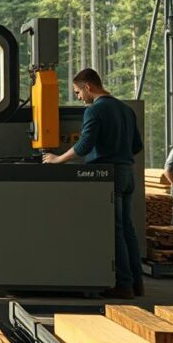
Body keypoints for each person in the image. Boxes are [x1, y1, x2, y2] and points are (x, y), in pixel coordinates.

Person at [43, 68, 144, 299]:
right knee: (127, 229)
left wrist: (57, 159)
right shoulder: (126, 110)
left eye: (78, 92)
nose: (79, 97)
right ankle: (137, 283)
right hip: (127, 173)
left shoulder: (95, 110)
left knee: (113, 229)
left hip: (107, 175)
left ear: (88, 86)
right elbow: (137, 146)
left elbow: (84, 145)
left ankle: (123, 285)